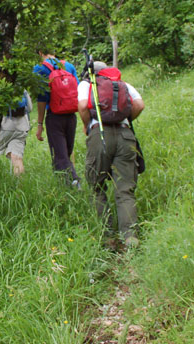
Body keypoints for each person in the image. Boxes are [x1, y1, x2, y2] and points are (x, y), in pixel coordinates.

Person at [77, 61, 145, 249]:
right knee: (124, 189)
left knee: (96, 186)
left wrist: (86, 125)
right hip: (125, 135)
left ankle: (107, 237)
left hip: (99, 134)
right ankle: (130, 236)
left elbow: (83, 106)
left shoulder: (86, 84)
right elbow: (140, 104)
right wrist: (125, 119)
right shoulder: (122, 84)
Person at [33, 48, 81, 187]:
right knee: (67, 151)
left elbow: (41, 99)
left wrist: (40, 124)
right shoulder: (68, 66)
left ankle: (74, 181)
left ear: (40, 53)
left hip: (54, 117)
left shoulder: (40, 69)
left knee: (59, 154)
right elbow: (77, 89)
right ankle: (63, 184)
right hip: (71, 115)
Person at [0, 90, 33, 176]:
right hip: (21, 128)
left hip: (5, 127)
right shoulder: (22, 89)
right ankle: (20, 187)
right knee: (16, 157)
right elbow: (30, 108)